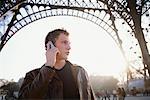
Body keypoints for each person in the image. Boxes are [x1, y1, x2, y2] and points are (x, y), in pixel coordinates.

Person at [18, 29, 96, 99]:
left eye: (69, 43)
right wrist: (48, 66)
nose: (69, 47)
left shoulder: (80, 72)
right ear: (50, 46)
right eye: (64, 43)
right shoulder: (32, 76)